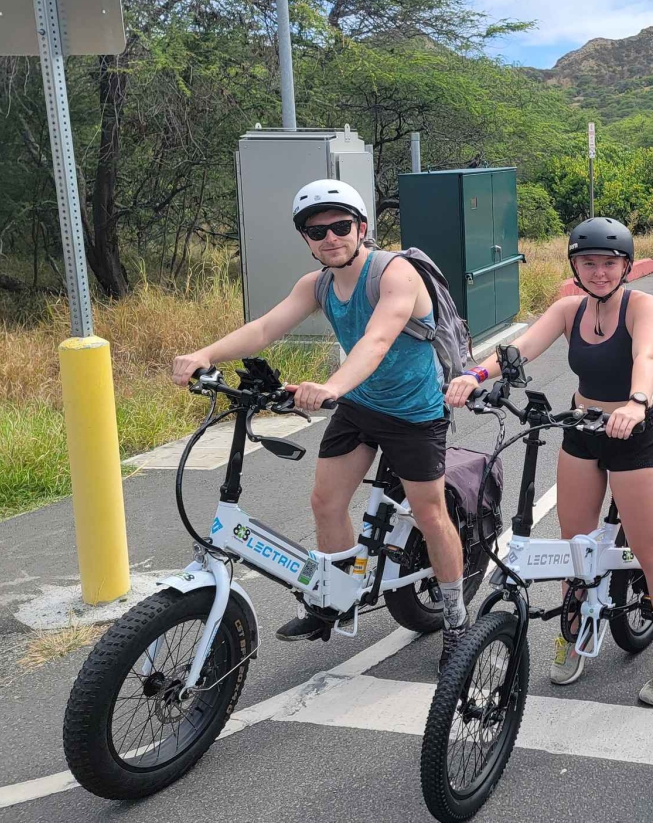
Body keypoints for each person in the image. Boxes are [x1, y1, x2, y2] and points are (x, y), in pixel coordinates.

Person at [171, 180, 468, 667]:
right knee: (325, 502)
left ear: (362, 228)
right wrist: (205, 353)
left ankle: (456, 617)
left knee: (429, 514)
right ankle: (337, 597)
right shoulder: (318, 285)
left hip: (413, 411)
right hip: (360, 403)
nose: (330, 237)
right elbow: (264, 328)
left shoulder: (395, 273)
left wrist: (331, 386)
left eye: (340, 226)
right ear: (306, 239)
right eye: (316, 231)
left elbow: (377, 340)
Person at [444, 217, 653, 706]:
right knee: (574, 544)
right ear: (575, 267)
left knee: (650, 549)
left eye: (609, 263)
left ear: (625, 265)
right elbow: (518, 351)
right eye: (588, 263)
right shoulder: (568, 310)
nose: (599, 272)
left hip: (633, 433)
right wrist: (475, 375)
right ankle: (572, 632)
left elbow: (647, 357)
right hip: (582, 428)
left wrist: (637, 402)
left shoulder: (642, 306)